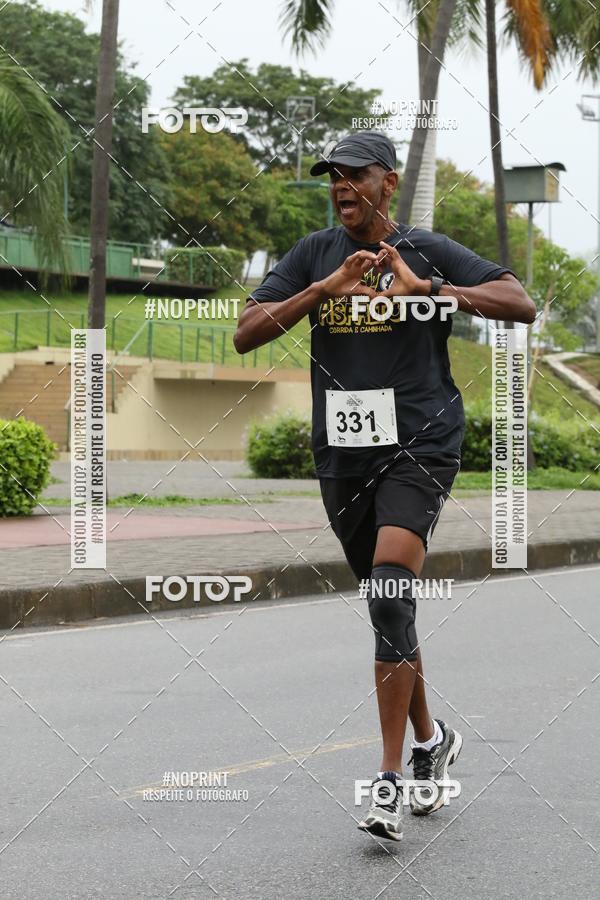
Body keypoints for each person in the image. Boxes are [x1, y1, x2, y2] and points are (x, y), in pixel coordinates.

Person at [234, 131, 535, 841]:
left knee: (392, 591)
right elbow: (246, 332)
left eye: (354, 174)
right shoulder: (313, 254)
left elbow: (518, 302)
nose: (341, 186)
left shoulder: (426, 249)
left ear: (387, 183)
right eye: (332, 176)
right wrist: (321, 292)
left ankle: (390, 780)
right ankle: (432, 740)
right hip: (342, 452)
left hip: (421, 442)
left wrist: (429, 290)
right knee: (387, 611)